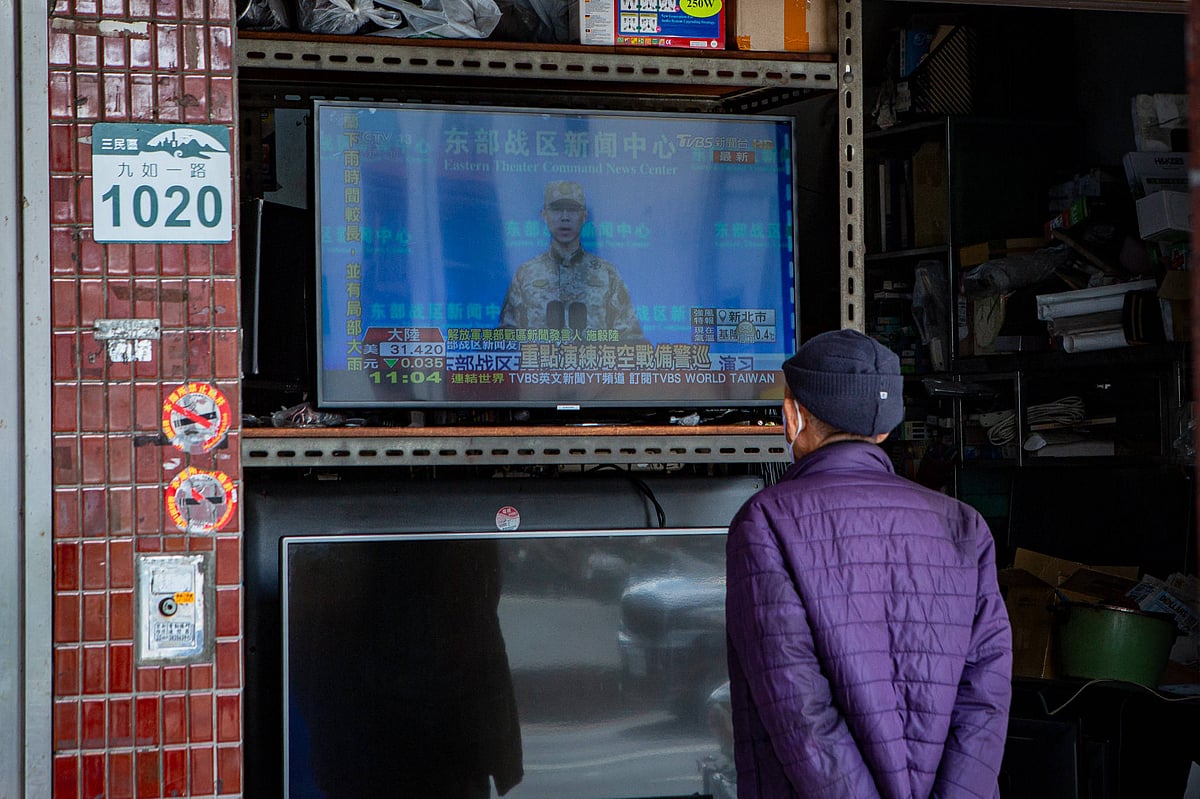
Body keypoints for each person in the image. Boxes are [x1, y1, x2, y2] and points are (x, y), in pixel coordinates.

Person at [724, 329, 1012, 799]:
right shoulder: (964, 525)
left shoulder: (766, 521)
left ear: (794, 415)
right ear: (884, 429)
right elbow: (985, 697)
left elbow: (797, 708)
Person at [499, 181, 644, 341]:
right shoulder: (526, 274)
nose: (565, 217)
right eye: (557, 210)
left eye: (573, 210)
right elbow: (506, 339)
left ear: (584, 216)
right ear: (544, 215)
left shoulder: (607, 274)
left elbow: (632, 339)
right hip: (539, 364)